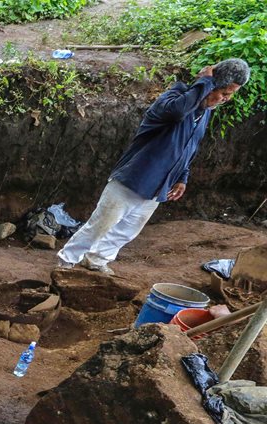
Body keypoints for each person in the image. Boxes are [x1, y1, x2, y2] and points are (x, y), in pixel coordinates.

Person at [58, 58, 250, 275]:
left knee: (127, 230)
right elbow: (177, 112)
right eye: (224, 93)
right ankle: (67, 260)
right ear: (211, 85)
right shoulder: (172, 99)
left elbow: (189, 148)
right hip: (133, 178)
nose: (225, 99)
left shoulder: (203, 113)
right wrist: (206, 80)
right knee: (101, 224)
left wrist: (182, 177)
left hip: (159, 184)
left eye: (230, 95)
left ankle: (97, 259)